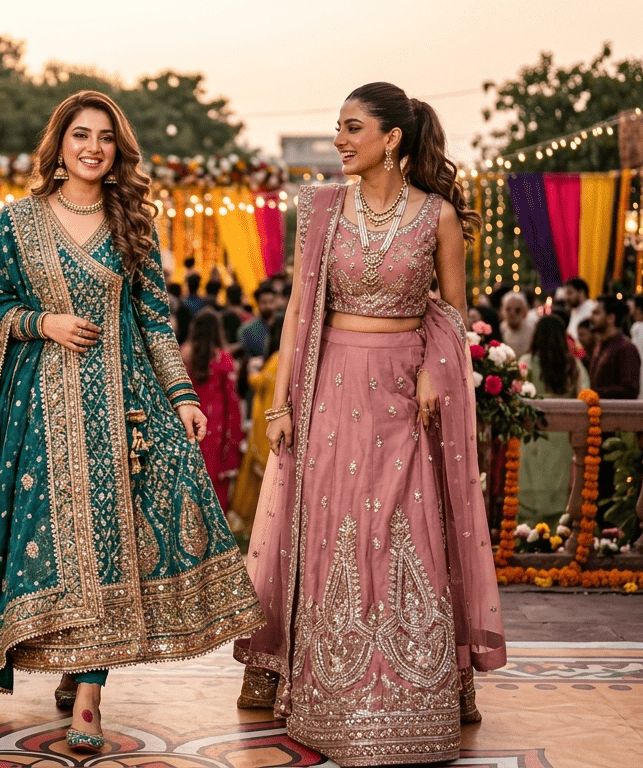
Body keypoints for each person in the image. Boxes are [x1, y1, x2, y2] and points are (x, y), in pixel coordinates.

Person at [0, 90, 262, 751]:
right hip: (37, 415)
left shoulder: (130, 225)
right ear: (58, 144)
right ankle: (54, 663)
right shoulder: (20, 223)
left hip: (123, 414)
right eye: (81, 134)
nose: (93, 146)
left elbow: (153, 318)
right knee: (51, 555)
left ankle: (88, 696)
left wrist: (184, 395)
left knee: (114, 556)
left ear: (117, 152)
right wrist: (43, 321)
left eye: (106, 138)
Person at [234, 83, 505, 766]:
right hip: (331, 389)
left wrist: (429, 374)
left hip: (404, 391)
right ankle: (324, 678)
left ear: (393, 139)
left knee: (404, 526)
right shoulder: (322, 209)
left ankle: (416, 681)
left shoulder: (436, 216)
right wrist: (281, 402)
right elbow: (300, 309)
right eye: (338, 127)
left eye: (353, 127)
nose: (340, 140)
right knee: (336, 527)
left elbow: (452, 310)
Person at [518, 315, 589, 526]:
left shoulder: (526, 363)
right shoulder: (573, 366)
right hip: (563, 435)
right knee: (559, 483)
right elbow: (585, 396)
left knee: (530, 481)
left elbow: (515, 394)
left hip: (532, 434)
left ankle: (526, 534)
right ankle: (558, 532)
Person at [182, 308, 243, 508]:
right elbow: (232, 402)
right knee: (213, 479)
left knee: (188, 476)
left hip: (185, 421)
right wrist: (233, 437)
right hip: (215, 425)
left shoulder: (183, 354)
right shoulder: (223, 359)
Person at [229, 316, 284, 535]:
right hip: (276, 418)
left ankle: (257, 524)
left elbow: (262, 382)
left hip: (268, 420)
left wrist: (251, 372)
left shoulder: (279, 358)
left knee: (259, 473)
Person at [587, 295, 641, 400]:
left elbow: (630, 391)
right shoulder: (600, 346)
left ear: (611, 318)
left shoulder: (626, 348)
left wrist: (594, 393)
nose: (591, 317)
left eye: (596, 313)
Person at [239, 284, 282, 359]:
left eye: (271, 302)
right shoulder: (247, 330)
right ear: (257, 303)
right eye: (264, 302)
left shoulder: (284, 322)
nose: (268, 306)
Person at [499, 289, 537, 359]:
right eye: (508, 309)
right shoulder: (500, 330)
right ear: (502, 311)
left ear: (525, 312)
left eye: (517, 310)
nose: (512, 313)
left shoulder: (533, 329)